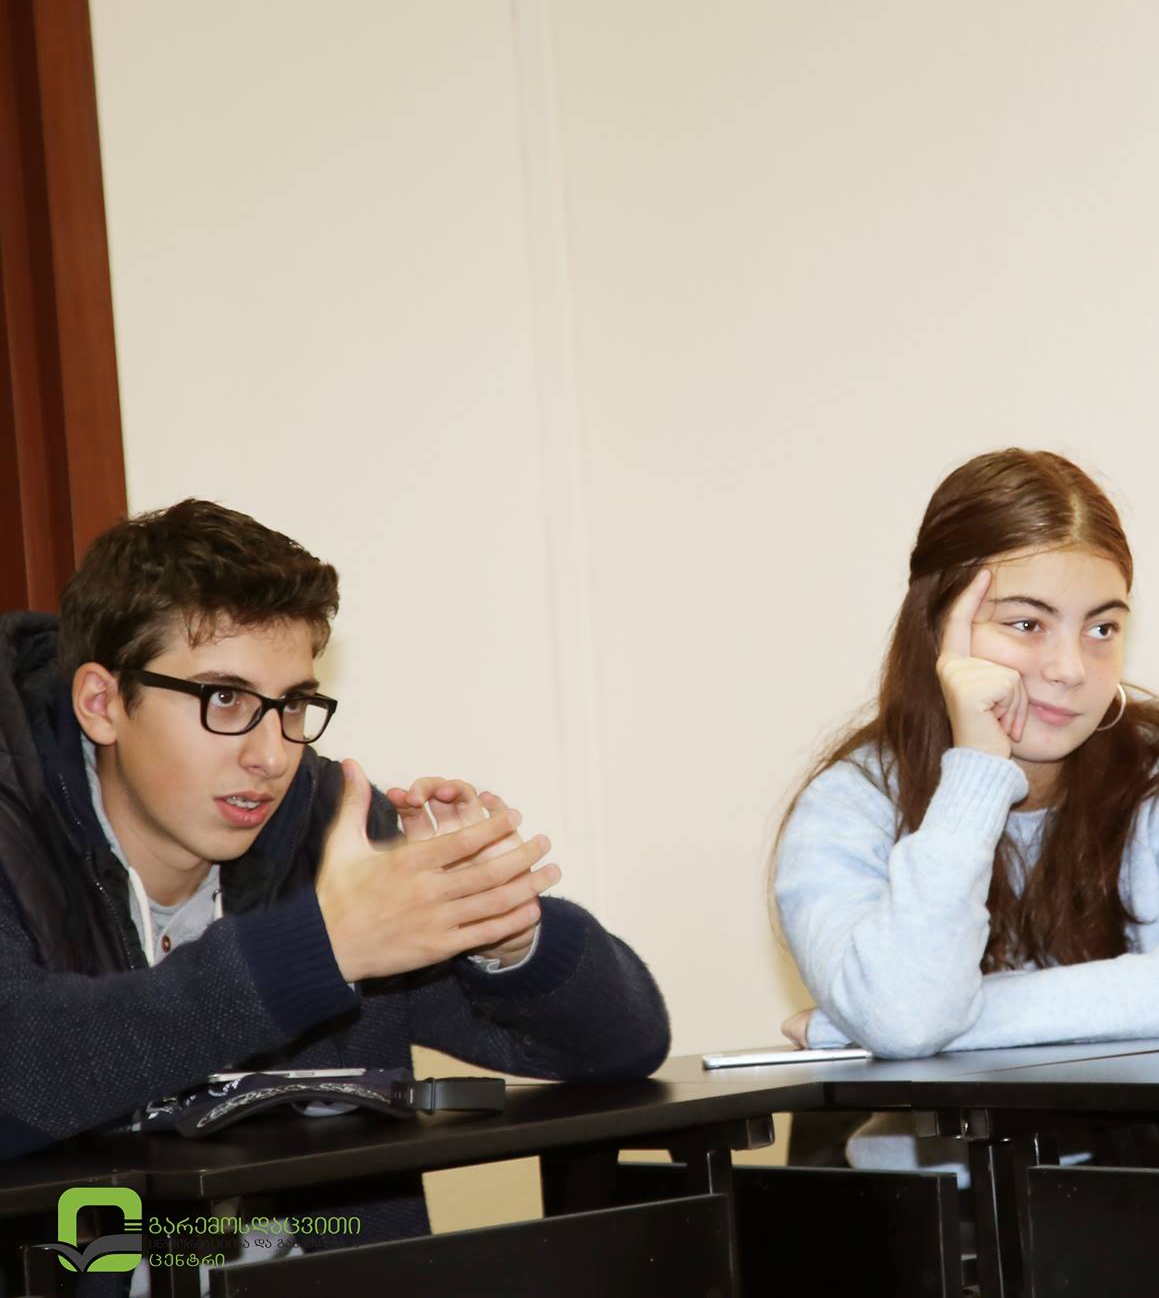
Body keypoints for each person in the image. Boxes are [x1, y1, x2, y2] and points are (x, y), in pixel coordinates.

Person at [0, 499, 669, 1247]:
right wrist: (316, 951)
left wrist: (501, 931)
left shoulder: (323, 827)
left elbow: (622, 1047)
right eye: (225, 698)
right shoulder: (14, 827)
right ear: (101, 703)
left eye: (292, 704)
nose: (271, 755)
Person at [773, 449, 1159, 1168]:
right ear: (939, 627)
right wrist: (976, 774)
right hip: (939, 1209)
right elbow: (907, 1015)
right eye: (1026, 624)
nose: (1070, 668)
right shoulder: (849, 805)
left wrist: (892, 1027)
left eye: (1101, 629)